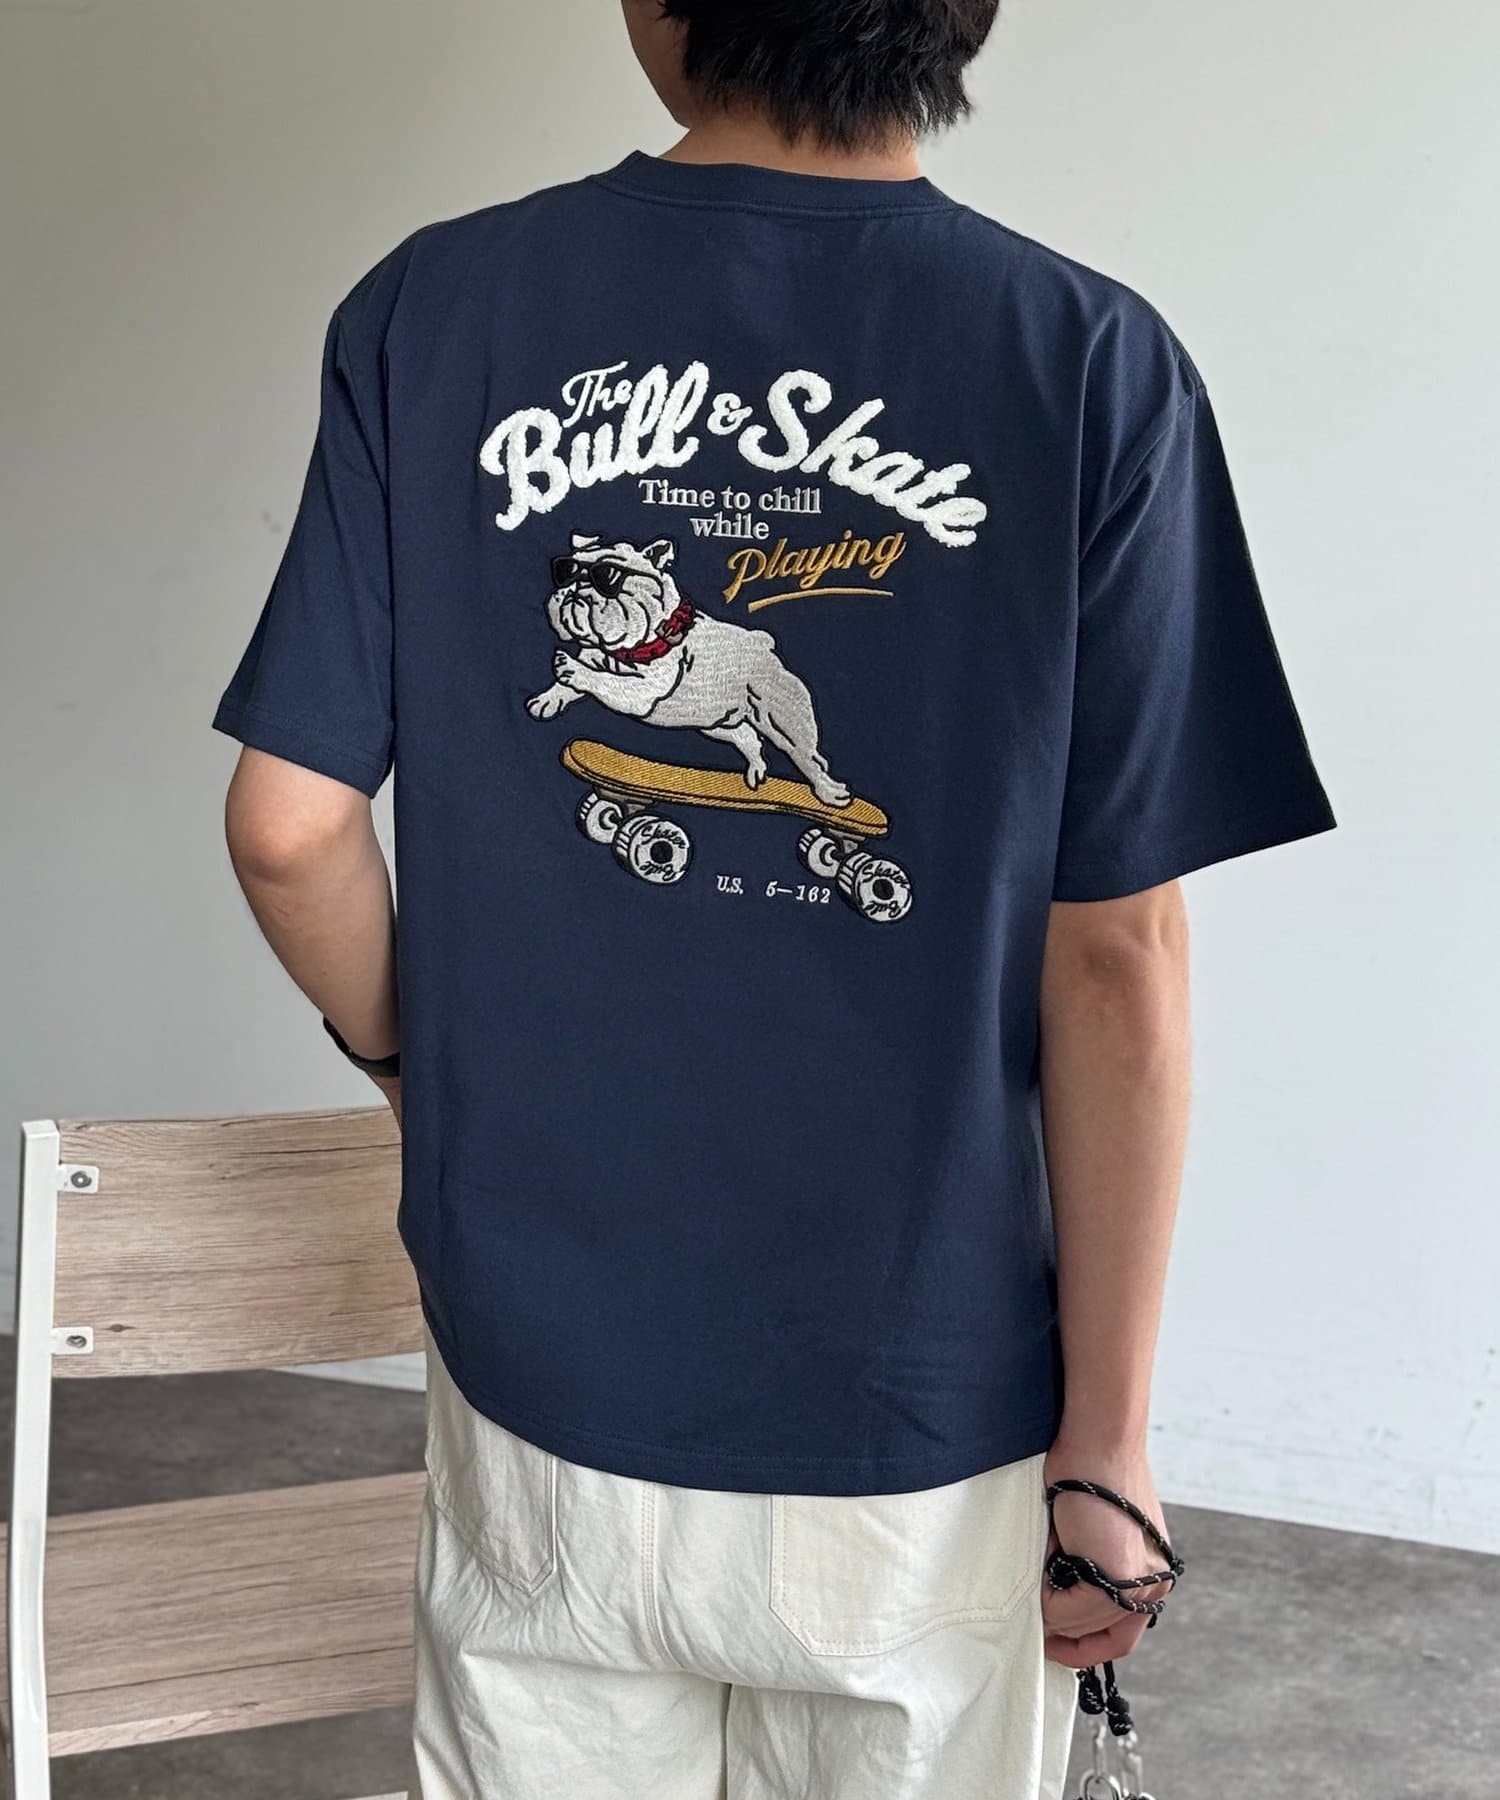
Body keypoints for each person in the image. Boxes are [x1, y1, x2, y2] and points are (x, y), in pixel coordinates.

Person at [212, 3, 1334, 1795]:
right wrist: (1108, 1445)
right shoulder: (1088, 358)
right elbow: (1118, 960)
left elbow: (288, 829)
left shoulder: (435, 308)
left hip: (544, 1370)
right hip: (922, 1403)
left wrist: (419, 1066)